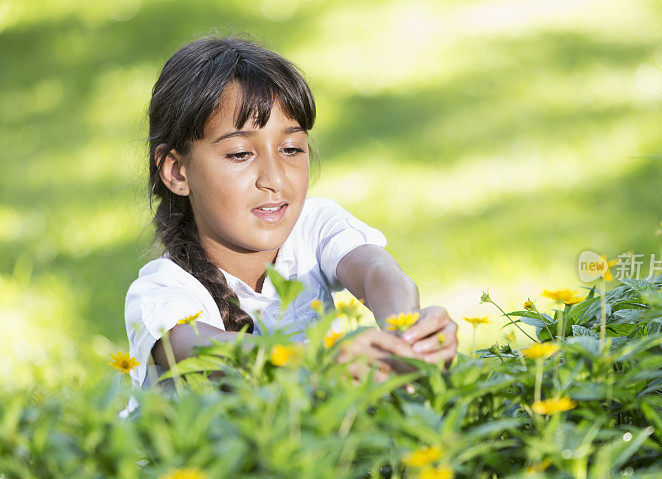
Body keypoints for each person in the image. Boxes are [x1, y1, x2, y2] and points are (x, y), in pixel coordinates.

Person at [119, 35, 458, 418]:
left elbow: (377, 270)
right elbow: (209, 350)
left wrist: (407, 333)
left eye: (291, 149)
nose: (275, 179)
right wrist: (321, 362)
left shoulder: (313, 226)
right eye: (241, 154)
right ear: (177, 171)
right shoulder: (161, 291)